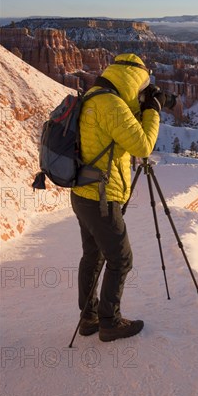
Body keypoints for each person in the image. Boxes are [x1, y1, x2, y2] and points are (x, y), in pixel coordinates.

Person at [71, 53, 164, 342]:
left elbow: (119, 130)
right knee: (121, 259)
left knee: (93, 255)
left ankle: (89, 318)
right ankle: (109, 322)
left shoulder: (96, 95)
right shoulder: (111, 104)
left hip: (83, 193)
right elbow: (143, 145)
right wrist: (154, 110)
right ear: (133, 80)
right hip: (101, 198)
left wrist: (140, 107)